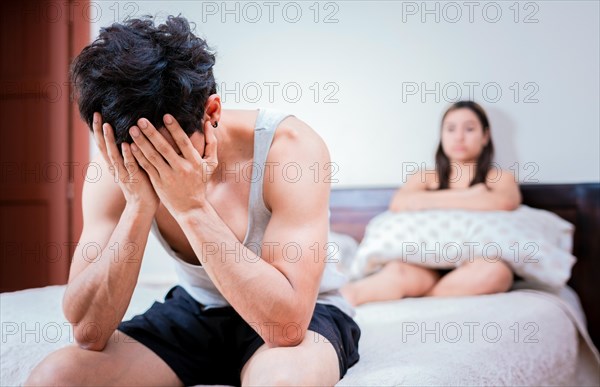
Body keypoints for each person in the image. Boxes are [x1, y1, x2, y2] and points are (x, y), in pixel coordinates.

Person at [25, 15, 360, 387]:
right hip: (197, 310)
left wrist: (192, 207)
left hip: (301, 313)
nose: (153, 168)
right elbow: (88, 331)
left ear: (211, 113)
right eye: (138, 158)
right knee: (55, 377)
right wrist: (138, 206)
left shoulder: (291, 149)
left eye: (166, 155)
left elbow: (286, 326)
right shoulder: (114, 163)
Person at [340, 100, 522, 307]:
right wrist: (470, 195)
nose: (459, 137)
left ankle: (426, 296)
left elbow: (505, 201)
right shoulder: (424, 177)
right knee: (394, 274)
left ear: (485, 136)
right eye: (451, 129)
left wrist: (426, 200)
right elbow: (400, 203)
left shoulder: (500, 177)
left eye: (469, 129)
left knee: (496, 273)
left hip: (476, 265)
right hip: (423, 263)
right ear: (442, 135)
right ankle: (328, 310)